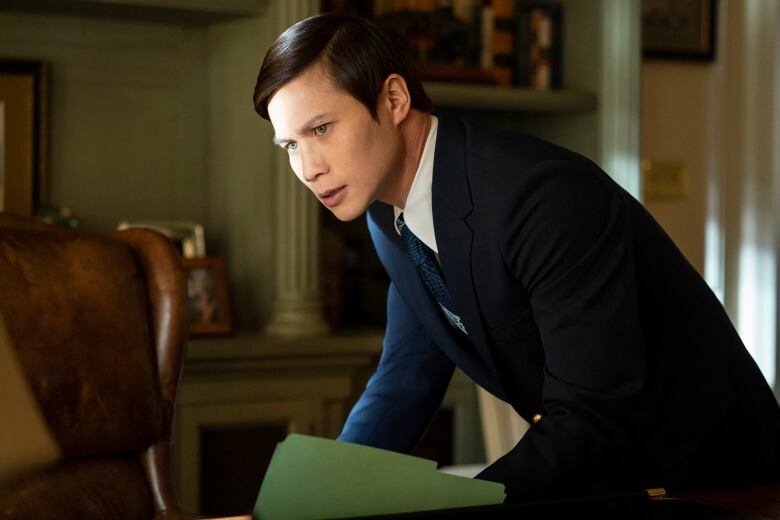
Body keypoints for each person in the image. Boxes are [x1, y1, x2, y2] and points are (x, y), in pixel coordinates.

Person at [252, 13, 780, 502]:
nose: (309, 169)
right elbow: (402, 383)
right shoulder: (387, 218)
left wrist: (463, 505)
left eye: (320, 130)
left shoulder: (540, 197)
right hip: (612, 480)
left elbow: (592, 417)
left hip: (720, 482)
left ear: (393, 99)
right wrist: (320, 498)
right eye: (290, 146)